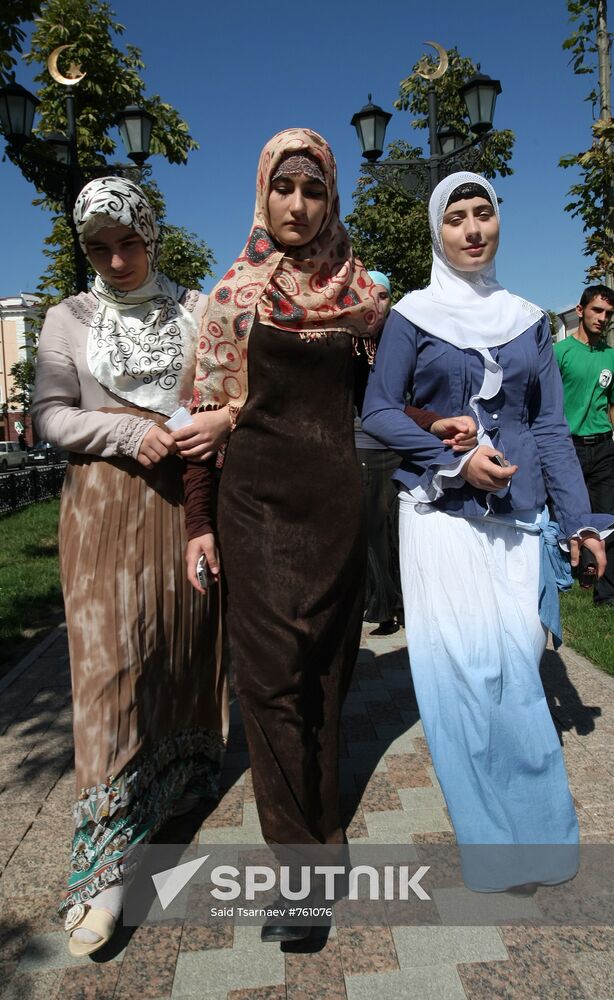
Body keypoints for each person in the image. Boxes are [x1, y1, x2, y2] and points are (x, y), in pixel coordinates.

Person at [362, 171, 613, 892]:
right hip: (440, 518)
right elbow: (379, 410)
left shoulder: (530, 318)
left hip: (519, 522)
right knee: (460, 683)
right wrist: (456, 455)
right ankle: (493, 849)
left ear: (498, 222)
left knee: (517, 674)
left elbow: (549, 429)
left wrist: (584, 523)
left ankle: (544, 839)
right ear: (437, 234)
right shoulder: (413, 315)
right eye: (456, 219)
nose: (472, 229)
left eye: (483, 214)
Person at [183, 128, 386, 941]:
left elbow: (390, 398)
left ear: (330, 197)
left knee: (327, 680)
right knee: (267, 685)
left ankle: (326, 828)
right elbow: (205, 421)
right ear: (261, 193)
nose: (297, 206)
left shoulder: (365, 295)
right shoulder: (231, 297)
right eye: (283, 189)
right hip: (256, 508)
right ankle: (298, 874)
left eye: (312, 191)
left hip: (338, 508)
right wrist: (199, 522)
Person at [31, 176, 228, 957]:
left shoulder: (198, 310)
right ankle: (105, 870)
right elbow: (48, 414)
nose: (116, 260)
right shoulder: (66, 319)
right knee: (110, 674)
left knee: (182, 652)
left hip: (186, 510)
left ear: (154, 234)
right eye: (99, 247)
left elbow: (227, 397)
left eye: (129, 242)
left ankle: (179, 783)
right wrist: (122, 434)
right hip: (103, 512)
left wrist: (218, 427)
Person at [354, 271, 477, 633]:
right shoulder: (351, 345)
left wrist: (431, 422)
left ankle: (413, 605)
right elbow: (371, 404)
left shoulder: (403, 336)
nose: (376, 303)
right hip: (362, 447)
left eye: (383, 296)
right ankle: (382, 608)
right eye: (368, 295)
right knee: (373, 531)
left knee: (401, 528)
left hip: (404, 445)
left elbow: (404, 402)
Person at [553, 285, 614, 603]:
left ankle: (608, 594)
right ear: (580, 311)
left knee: (609, 517)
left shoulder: (611, 357)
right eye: (597, 310)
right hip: (568, 447)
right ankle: (567, 573)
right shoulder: (560, 354)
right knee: (569, 516)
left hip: (603, 446)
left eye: (608, 313)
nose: (603, 318)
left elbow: (611, 406)